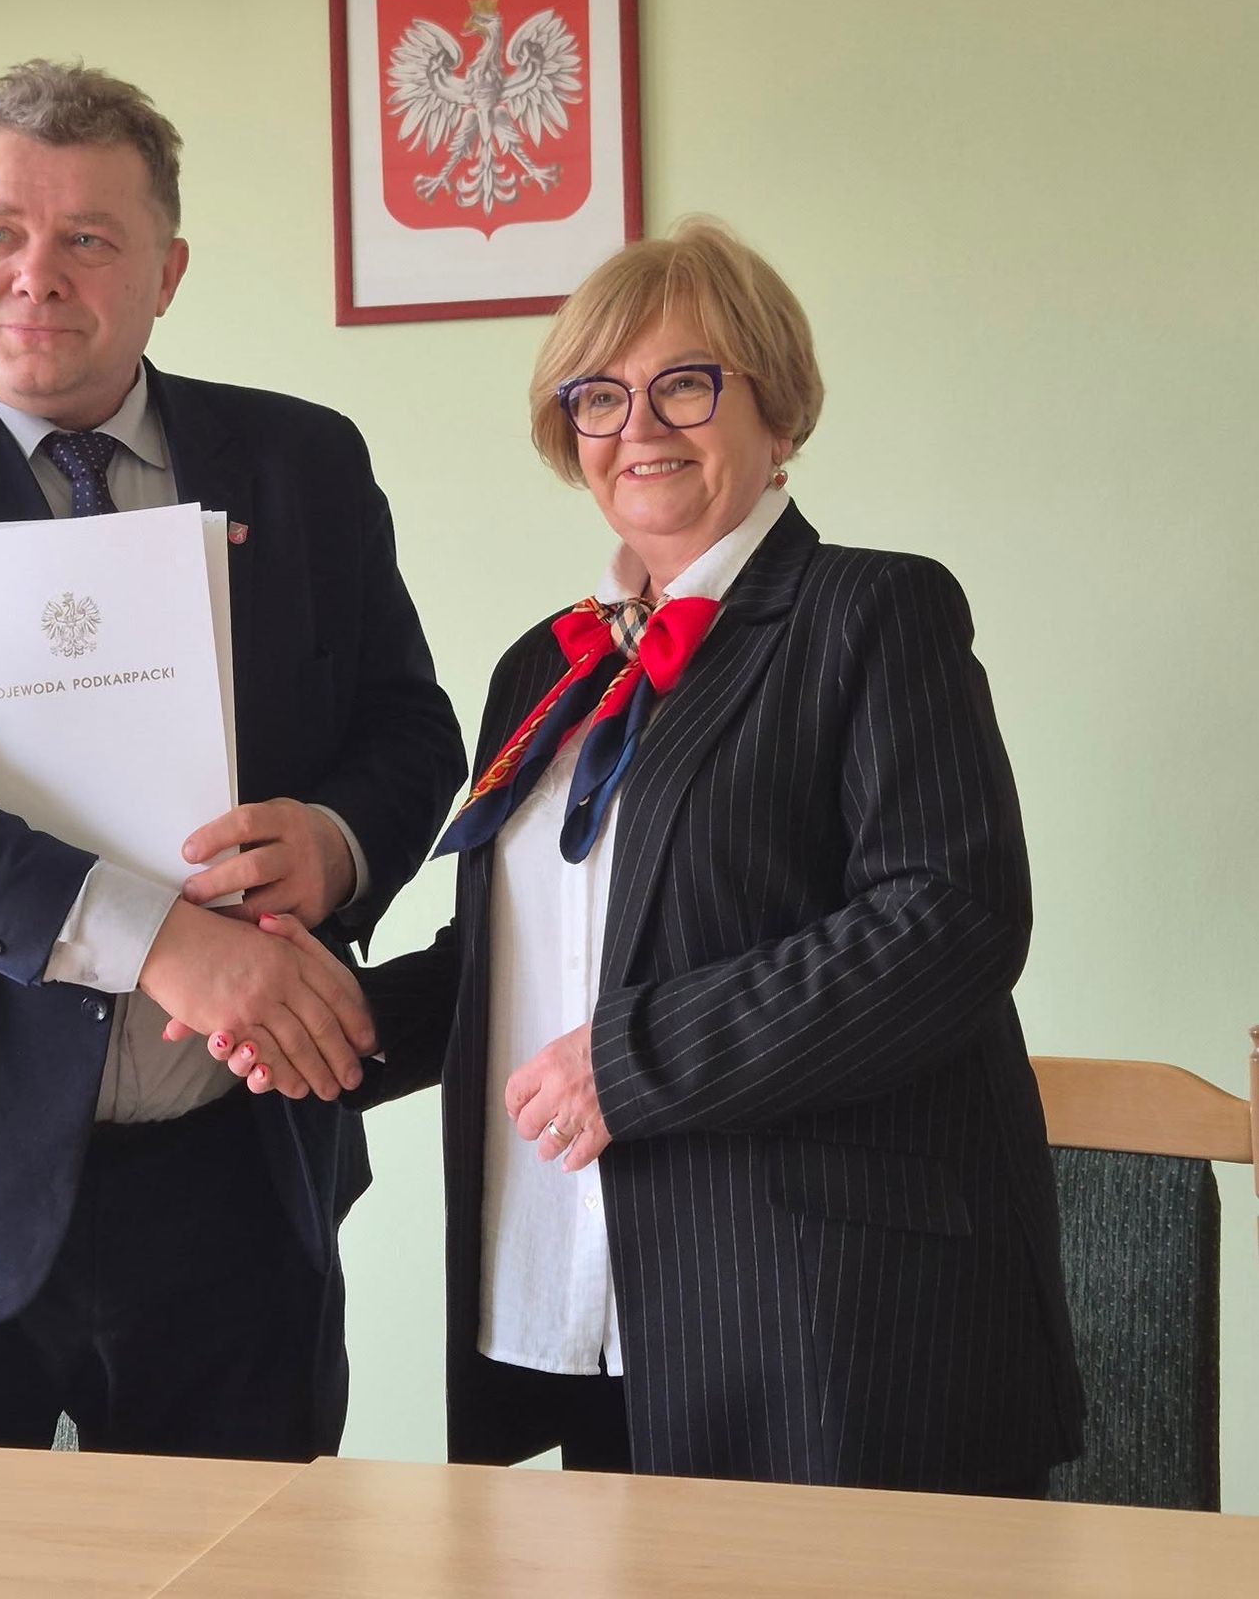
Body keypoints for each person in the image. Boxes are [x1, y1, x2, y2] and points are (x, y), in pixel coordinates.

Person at [229, 216, 1083, 1492]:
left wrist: (630, 1063)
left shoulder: (873, 611)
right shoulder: (547, 663)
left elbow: (944, 922)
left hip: (827, 1313)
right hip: (591, 1288)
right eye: (600, 396)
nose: (640, 426)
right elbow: (519, 958)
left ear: (777, 411)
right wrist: (332, 1023)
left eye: (686, 383)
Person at [0, 59, 464, 1457]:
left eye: (87, 237)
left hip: (233, 1188)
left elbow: (405, 724)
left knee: (247, 1561)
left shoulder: (304, 462)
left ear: (167, 272)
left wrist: (334, 843)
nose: (37, 274)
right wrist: (164, 943)